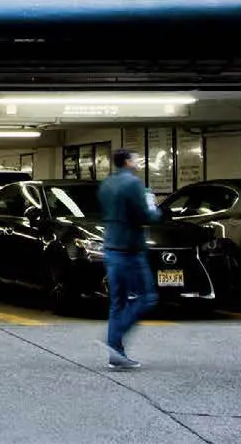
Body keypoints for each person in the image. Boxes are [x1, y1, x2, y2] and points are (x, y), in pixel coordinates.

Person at [98, 147, 161, 370]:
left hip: (110, 247)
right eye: (136, 158)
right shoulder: (134, 184)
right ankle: (114, 339)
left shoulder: (106, 184)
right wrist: (154, 207)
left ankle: (116, 355)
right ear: (126, 161)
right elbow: (145, 216)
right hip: (130, 251)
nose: (138, 162)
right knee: (146, 297)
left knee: (118, 302)